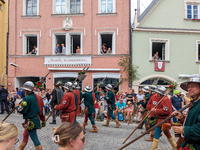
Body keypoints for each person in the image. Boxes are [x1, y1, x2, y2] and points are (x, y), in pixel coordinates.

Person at [172, 74, 200, 150]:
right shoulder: (195, 102)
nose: (189, 89)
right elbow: (193, 120)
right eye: (188, 87)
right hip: (190, 142)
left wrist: (184, 130)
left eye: (193, 86)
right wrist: (181, 118)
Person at [15, 81, 43, 149]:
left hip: (31, 121)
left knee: (34, 138)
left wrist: (17, 106)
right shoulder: (36, 97)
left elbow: (22, 110)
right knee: (25, 135)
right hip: (34, 118)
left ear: (25, 89)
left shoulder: (27, 98)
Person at [150, 86, 177, 150]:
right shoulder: (162, 99)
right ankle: (175, 147)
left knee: (156, 133)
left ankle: (154, 148)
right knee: (167, 134)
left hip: (163, 120)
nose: (156, 94)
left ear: (160, 93)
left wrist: (156, 110)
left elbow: (166, 111)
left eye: (157, 93)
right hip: (161, 120)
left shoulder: (165, 99)